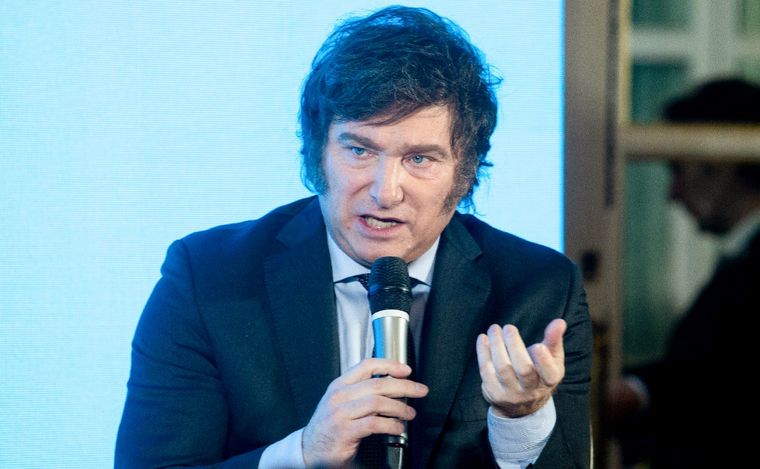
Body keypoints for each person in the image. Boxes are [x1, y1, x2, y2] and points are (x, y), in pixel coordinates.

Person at [115, 6, 592, 468]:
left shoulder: (539, 289)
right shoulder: (206, 277)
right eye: (360, 150)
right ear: (318, 153)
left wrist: (520, 418)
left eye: (419, 159)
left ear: (463, 174)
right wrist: (304, 454)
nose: (386, 192)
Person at [607, 78, 760, 468]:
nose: (672, 192)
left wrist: (635, 395)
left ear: (718, 166)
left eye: (678, 168)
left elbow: (725, 393)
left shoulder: (751, 265)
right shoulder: (743, 258)